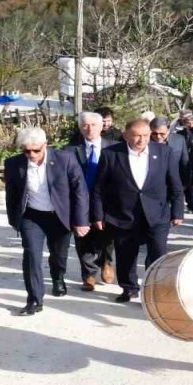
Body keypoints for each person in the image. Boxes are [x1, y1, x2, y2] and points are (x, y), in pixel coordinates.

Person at [90, 119, 185, 303]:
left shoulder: (164, 152)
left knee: (158, 254)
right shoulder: (111, 154)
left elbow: (175, 184)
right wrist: (98, 215)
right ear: (126, 135)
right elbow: (99, 188)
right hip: (123, 215)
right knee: (126, 255)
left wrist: (178, 211)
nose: (141, 140)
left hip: (157, 214)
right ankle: (129, 288)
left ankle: (153, 289)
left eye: (145, 135)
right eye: (136, 136)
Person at [3, 127, 90, 315]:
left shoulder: (64, 159)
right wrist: (14, 219)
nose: (31, 154)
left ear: (45, 145)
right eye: (26, 151)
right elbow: (12, 194)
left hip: (60, 215)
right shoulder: (13, 164)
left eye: (36, 150)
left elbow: (80, 191)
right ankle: (34, 300)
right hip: (32, 216)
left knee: (59, 254)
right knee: (31, 254)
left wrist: (81, 221)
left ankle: (58, 278)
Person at [66, 112, 117, 290]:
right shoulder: (70, 150)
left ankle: (106, 263)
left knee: (107, 236)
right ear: (80, 128)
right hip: (81, 200)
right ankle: (88, 274)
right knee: (83, 238)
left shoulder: (115, 148)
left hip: (107, 200)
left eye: (93, 125)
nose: (89, 129)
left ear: (102, 126)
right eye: (85, 125)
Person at [151, 117, 191, 211]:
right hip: (153, 184)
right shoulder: (145, 142)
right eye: (154, 133)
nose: (158, 137)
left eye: (162, 134)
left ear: (168, 130)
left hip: (173, 182)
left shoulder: (179, 139)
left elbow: (184, 161)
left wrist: (186, 182)